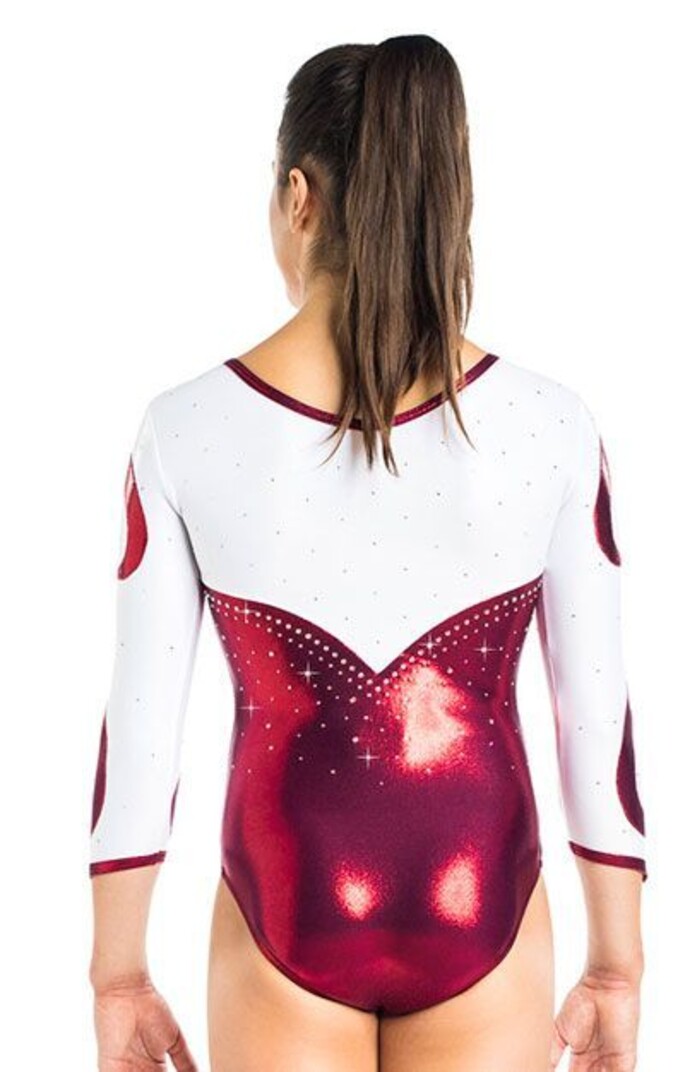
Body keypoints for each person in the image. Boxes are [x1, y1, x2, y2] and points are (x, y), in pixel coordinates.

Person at [88, 34, 647, 1072]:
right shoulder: (551, 425)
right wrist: (618, 963)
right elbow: (594, 714)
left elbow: (142, 727)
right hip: (481, 896)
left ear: (297, 197)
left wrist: (116, 975)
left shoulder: (186, 428)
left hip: (284, 899)